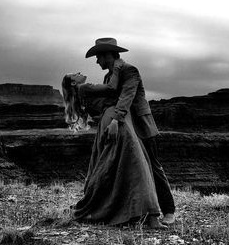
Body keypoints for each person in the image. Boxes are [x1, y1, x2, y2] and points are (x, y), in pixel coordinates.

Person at [85, 37, 176, 225]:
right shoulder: (109, 77)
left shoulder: (129, 70)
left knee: (152, 167)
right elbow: (110, 99)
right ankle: (132, 210)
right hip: (126, 128)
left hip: (140, 126)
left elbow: (127, 96)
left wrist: (115, 120)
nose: (97, 61)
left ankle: (168, 211)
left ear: (108, 55)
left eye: (98, 57)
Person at [61, 72, 165, 228]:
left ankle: (128, 211)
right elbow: (111, 87)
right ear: (74, 83)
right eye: (75, 74)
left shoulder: (81, 93)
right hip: (116, 120)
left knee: (114, 167)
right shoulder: (84, 87)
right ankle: (151, 217)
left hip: (108, 119)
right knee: (138, 166)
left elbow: (97, 108)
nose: (79, 73)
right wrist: (118, 68)